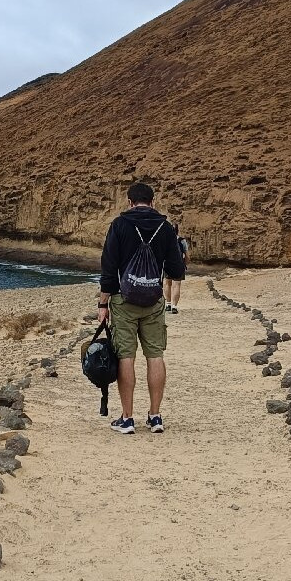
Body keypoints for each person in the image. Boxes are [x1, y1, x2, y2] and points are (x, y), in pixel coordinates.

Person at [98, 182, 185, 435]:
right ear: (153, 201)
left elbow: (108, 269)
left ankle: (127, 419)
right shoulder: (165, 227)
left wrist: (103, 304)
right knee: (155, 355)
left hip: (123, 301)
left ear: (129, 202)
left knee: (126, 356)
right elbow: (176, 270)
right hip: (154, 301)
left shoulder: (119, 225)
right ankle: (155, 417)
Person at [164, 225, 190, 314]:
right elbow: (187, 256)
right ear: (177, 231)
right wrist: (184, 264)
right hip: (179, 265)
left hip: (168, 264)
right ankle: (174, 306)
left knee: (167, 284)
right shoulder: (182, 241)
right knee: (177, 285)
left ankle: (168, 305)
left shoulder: (166, 240)